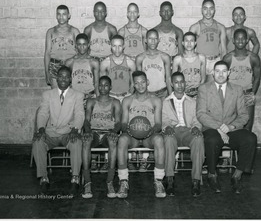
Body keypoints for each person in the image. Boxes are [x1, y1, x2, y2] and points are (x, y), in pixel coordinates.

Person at [196, 60, 257, 194]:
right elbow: (201, 114)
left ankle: (237, 175)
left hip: (231, 128)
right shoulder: (204, 89)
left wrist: (230, 127)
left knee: (250, 138)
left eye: (224, 71)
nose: (221, 74)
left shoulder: (237, 89)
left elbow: (244, 115)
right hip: (212, 128)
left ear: (228, 73)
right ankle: (212, 175)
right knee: (212, 140)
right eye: (217, 71)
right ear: (213, 73)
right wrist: (219, 127)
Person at [32, 66, 84, 194]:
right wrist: (41, 129)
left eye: (67, 77)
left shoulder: (78, 95)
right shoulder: (47, 94)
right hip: (51, 132)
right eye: (61, 76)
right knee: (38, 142)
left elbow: (79, 114)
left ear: (70, 80)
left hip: (68, 132)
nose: (63, 79)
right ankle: (43, 177)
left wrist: (75, 129)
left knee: (77, 142)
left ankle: (75, 177)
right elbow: (43, 113)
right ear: (57, 78)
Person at [116, 71, 166, 199]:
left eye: (143, 82)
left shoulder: (156, 100)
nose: (140, 85)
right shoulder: (127, 100)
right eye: (137, 83)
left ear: (147, 82)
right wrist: (128, 130)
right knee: (122, 139)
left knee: (159, 139)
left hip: (149, 136)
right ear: (133, 84)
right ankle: (123, 181)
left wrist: (150, 131)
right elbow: (123, 123)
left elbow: (159, 124)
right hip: (132, 136)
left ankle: (158, 181)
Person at [162, 72, 204, 197]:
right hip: (173, 131)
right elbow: (163, 119)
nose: (179, 85)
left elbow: (197, 119)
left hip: (188, 131)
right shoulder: (165, 102)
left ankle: (196, 180)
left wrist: (196, 127)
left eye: (182, 82)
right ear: (171, 84)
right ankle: (169, 179)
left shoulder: (192, 101)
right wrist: (167, 127)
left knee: (198, 139)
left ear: (185, 83)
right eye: (176, 82)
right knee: (168, 140)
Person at [81, 76, 122, 199]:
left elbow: (119, 122)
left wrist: (114, 131)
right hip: (94, 132)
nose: (103, 87)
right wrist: (87, 131)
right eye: (100, 85)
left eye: (106, 85)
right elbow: (87, 120)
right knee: (86, 140)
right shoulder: (91, 101)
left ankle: (109, 181)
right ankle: (87, 182)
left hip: (108, 132)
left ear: (110, 87)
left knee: (113, 141)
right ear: (97, 87)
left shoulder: (115, 102)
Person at [223, 28, 261, 132]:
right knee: (231, 126)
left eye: (243, 39)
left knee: (247, 127)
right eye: (237, 39)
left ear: (247, 40)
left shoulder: (253, 58)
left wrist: (252, 93)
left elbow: (257, 77)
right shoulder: (227, 58)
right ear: (233, 41)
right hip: (232, 95)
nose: (240, 41)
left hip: (247, 94)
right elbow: (222, 78)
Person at [189, 0, 227, 82]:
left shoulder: (220, 27)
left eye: (211, 8)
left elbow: (223, 49)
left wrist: (223, 65)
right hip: (201, 61)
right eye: (205, 8)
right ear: (201, 10)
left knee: (213, 89)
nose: (208, 12)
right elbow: (189, 48)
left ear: (215, 10)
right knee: (201, 88)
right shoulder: (195, 27)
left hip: (215, 60)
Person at [44, 5, 79, 88]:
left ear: (69, 16)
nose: (61, 17)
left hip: (70, 65)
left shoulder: (74, 31)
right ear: (56, 16)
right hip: (54, 66)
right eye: (59, 14)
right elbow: (47, 53)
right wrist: (46, 72)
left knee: (70, 93)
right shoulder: (51, 32)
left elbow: (79, 52)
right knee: (56, 94)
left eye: (64, 14)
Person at [136, 29, 172, 100]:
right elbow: (138, 80)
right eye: (150, 38)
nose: (153, 41)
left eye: (155, 39)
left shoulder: (165, 57)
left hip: (163, 93)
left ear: (158, 40)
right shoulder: (140, 58)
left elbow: (168, 78)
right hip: (147, 93)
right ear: (146, 40)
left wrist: (171, 96)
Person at [65, 34, 100, 105]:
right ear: (75, 45)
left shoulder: (94, 62)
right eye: (79, 44)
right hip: (75, 97)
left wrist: (98, 100)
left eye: (84, 44)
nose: (82, 47)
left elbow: (96, 83)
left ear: (88, 45)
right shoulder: (69, 62)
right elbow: (66, 83)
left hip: (90, 96)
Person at [100, 35, 136, 102]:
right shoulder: (105, 63)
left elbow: (133, 83)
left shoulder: (130, 62)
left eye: (119, 46)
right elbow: (102, 85)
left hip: (126, 96)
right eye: (114, 46)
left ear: (123, 46)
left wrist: (130, 96)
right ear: (110, 46)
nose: (117, 49)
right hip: (110, 96)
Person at [172, 32, 206, 98]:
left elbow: (203, 78)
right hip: (183, 93)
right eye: (186, 41)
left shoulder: (201, 58)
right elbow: (174, 80)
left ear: (195, 43)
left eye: (191, 41)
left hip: (197, 93)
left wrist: (199, 93)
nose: (189, 43)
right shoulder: (178, 59)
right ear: (182, 43)